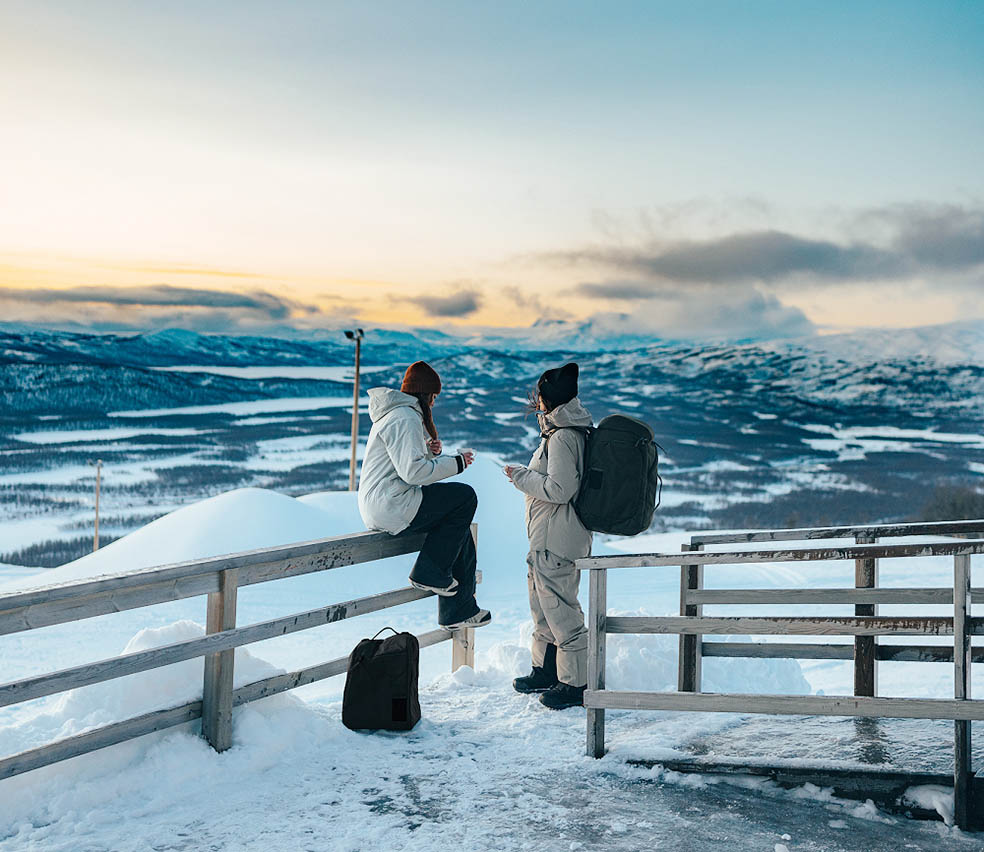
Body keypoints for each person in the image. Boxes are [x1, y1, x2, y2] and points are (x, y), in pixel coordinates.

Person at [358, 360, 491, 631]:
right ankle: (428, 573)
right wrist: (457, 463)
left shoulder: (399, 415)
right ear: (426, 394)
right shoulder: (404, 417)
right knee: (465, 497)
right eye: (434, 397)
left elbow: (404, 463)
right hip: (391, 503)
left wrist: (430, 452)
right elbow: (413, 473)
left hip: (387, 501)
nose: (434, 403)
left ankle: (458, 611)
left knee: (459, 528)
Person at [504, 362, 593, 709]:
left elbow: (560, 488)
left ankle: (574, 684)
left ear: (549, 399)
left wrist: (521, 477)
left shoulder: (564, 436)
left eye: (540, 395)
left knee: (560, 611)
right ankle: (546, 671)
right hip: (548, 537)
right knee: (543, 608)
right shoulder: (564, 431)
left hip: (557, 539)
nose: (536, 401)